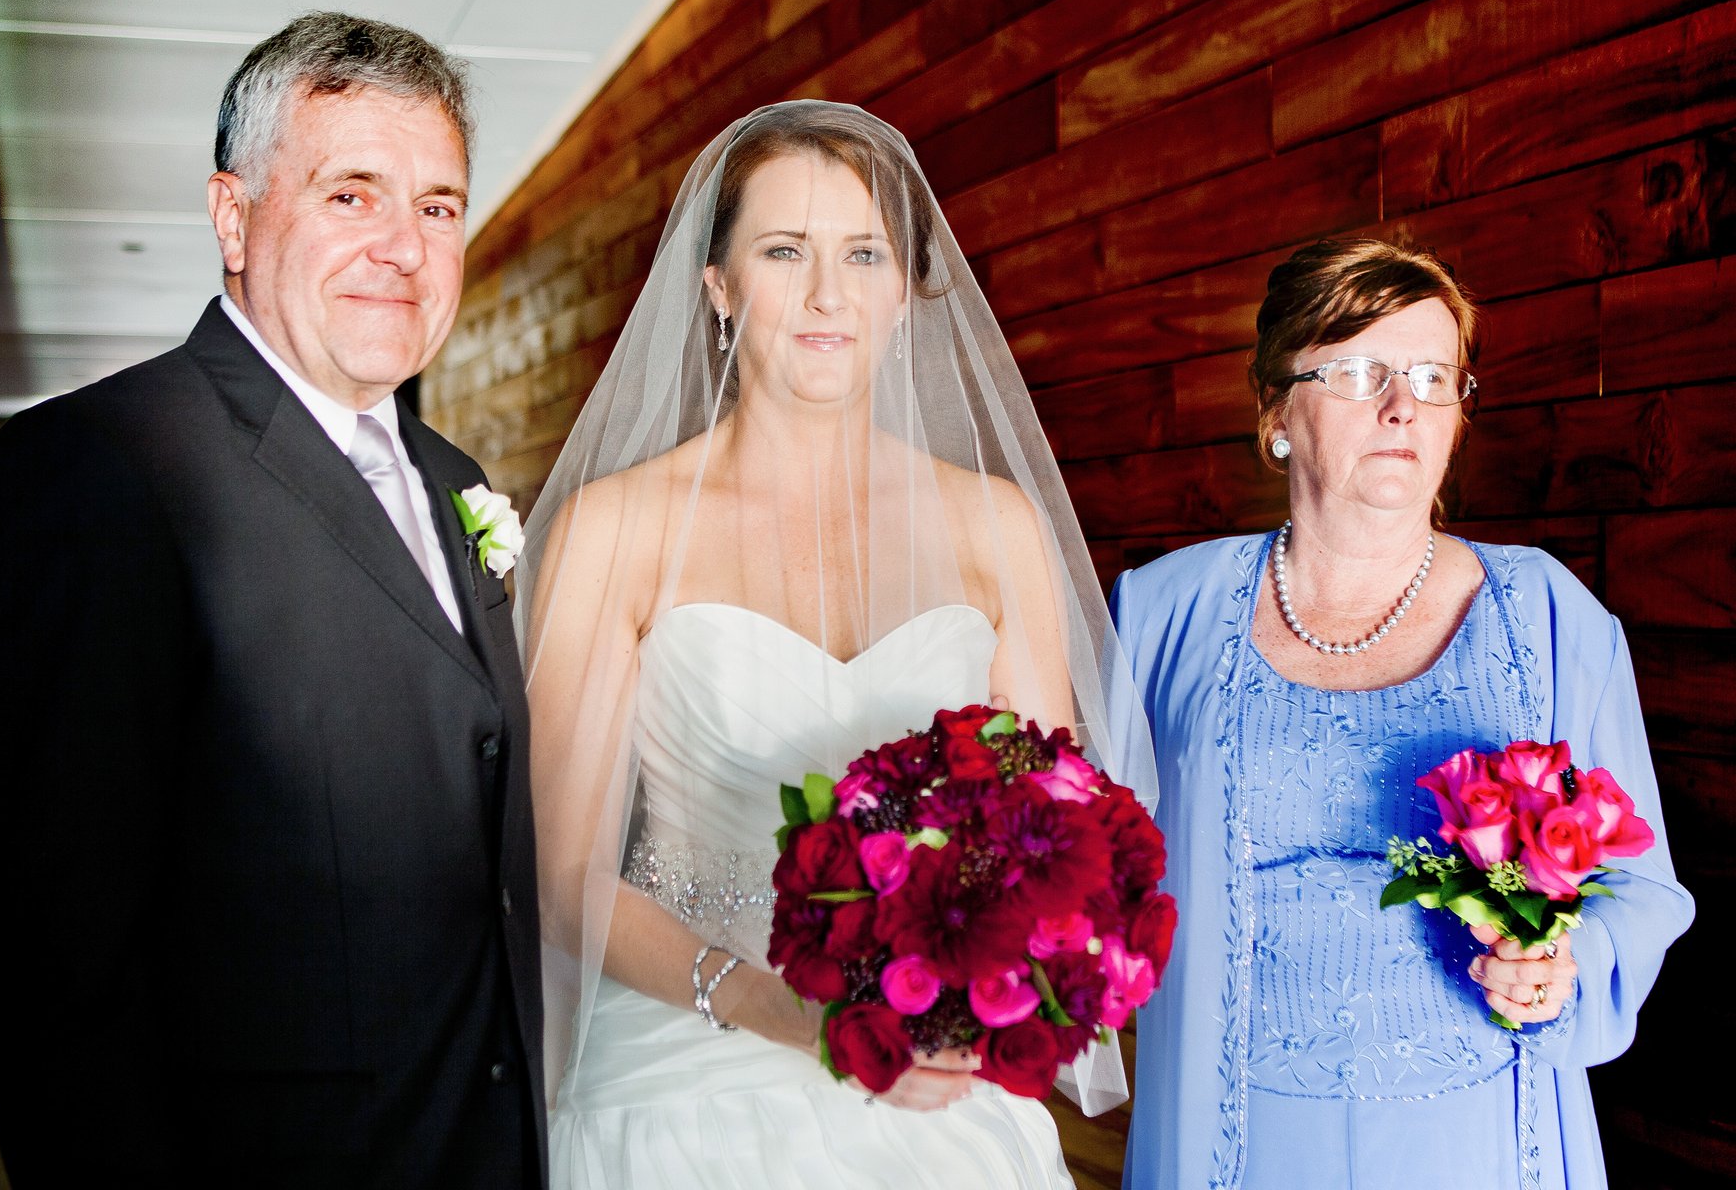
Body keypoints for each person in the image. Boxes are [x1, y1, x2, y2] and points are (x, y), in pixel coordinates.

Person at [0, 14, 544, 1186]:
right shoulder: (97, 469)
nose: (405, 248)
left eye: (438, 207)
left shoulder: (456, 482)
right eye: (351, 195)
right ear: (232, 218)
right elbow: (53, 972)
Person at [519, 100, 1157, 1188]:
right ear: (719, 286)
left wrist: (974, 987)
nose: (828, 294)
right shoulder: (614, 529)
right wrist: (777, 1006)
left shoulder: (995, 525)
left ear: (904, 292)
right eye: (784, 251)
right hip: (684, 1073)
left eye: (864, 254)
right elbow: (564, 871)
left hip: (930, 1074)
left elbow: (1055, 820)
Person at [1111, 238, 1693, 1190]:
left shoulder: (1549, 614)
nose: (1402, 405)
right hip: (1237, 1139)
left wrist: (1566, 965)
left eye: (1433, 377)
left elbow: (1643, 886)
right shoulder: (1157, 611)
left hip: (1482, 1137)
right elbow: (1084, 865)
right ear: (1275, 410)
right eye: (1357, 371)